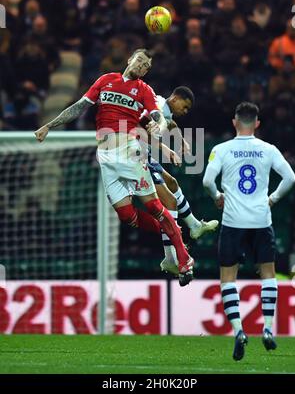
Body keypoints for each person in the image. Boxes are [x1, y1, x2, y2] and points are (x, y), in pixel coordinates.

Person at [35, 48, 194, 286]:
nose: (141, 66)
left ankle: (183, 260)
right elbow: (79, 107)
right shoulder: (105, 80)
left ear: (147, 71)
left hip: (130, 150)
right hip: (105, 156)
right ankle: (174, 233)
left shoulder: (144, 90)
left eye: (145, 66)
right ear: (130, 59)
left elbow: (157, 116)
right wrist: (49, 125)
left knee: (153, 205)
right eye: (139, 60)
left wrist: (155, 126)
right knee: (127, 216)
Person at [202, 102, 295, 360]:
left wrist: (217, 196)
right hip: (261, 220)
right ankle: (267, 329)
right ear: (257, 123)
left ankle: (239, 331)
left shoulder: (221, 149)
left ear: (234, 122)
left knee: (228, 279)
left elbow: (207, 181)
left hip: (233, 222)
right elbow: (291, 178)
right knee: (268, 274)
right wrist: (273, 199)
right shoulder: (269, 149)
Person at [140, 86, 218, 276]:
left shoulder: (163, 107)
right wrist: (167, 150)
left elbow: (171, 124)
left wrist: (181, 141)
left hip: (144, 153)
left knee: (173, 183)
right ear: (175, 99)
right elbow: (143, 131)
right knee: (170, 202)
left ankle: (193, 225)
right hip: (135, 154)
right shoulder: (157, 107)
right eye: (185, 107)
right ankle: (170, 257)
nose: (185, 111)